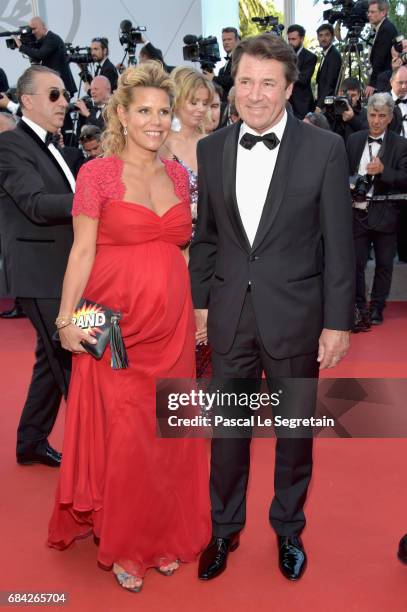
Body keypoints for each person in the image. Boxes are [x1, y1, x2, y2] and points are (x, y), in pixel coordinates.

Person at [189, 33, 354, 583]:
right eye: (244, 82)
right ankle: (223, 528)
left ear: (288, 88)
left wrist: (336, 322)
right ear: (231, 85)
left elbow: (339, 244)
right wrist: (201, 305)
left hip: (298, 315)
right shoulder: (211, 149)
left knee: (293, 433)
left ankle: (288, 528)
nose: (254, 94)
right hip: (231, 312)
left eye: (266, 83)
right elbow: (208, 239)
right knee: (228, 433)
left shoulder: (325, 149)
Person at [47, 62, 211, 592]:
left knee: (170, 434)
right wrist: (67, 319)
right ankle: (126, 543)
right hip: (113, 326)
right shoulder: (97, 173)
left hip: (172, 327)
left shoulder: (181, 175)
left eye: (164, 111)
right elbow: (82, 250)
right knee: (125, 438)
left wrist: (197, 311)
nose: (156, 121)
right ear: (122, 114)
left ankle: (163, 533)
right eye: (145, 111)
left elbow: (183, 250)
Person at [0, 65, 75, 467]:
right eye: (53, 95)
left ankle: (30, 440)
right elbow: (34, 204)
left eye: (63, 94)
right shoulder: (11, 146)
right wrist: (93, 201)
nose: (63, 101)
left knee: (52, 360)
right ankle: (96, 457)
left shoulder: (53, 147)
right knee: (74, 364)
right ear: (27, 101)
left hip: (63, 273)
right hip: (41, 273)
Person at [347, 92, 407, 327]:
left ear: (390, 117)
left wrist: (384, 171)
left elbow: (405, 178)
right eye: (372, 115)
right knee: (357, 263)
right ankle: (360, 307)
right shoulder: (353, 140)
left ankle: (377, 307)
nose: (376, 120)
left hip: (385, 214)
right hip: (357, 211)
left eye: (382, 115)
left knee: (384, 263)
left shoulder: (401, 145)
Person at [160, 66, 213, 226]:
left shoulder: (211, 142)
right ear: (177, 100)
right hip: (174, 237)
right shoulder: (162, 145)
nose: (201, 109)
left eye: (205, 103)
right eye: (194, 102)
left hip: (210, 239)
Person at [14, 17, 77, 97]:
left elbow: (39, 55)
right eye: (31, 30)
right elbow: (37, 57)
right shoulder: (45, 40)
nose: (32, 32)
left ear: (43, 26)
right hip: (56, 85)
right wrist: (26, 44)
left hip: (62, 86)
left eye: (34, 29)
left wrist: (21, 46)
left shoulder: (52, 38)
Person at [365, 0, 398, 98]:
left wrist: (372, 83)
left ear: (383, 12)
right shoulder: (383, 27)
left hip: (385, 81)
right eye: (368, 12)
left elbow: (380, 59)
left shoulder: (385, 29)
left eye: (372, 12)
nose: (369, 15)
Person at [324, 77, 368, 143]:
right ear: (339, 93)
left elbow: (369, 132)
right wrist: (330, 111)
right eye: (346, 95)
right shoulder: (332, 107)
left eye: (353, 95)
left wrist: (353, 119)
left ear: (358, 96)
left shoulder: (364, 113)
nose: (349, 99)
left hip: (352, 150)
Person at [287, 24, 317, 119]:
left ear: (302, 38)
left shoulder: (310, 57)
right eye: (289, 39)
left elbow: (304, 79)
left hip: (302, 106)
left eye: (293, 39)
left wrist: (285, 73)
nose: (290, 42)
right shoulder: (285, 56)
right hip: (287, 105)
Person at [203, 27, 240, 102]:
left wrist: (214, 78)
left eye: (229, 39)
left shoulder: (240, 57)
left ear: (237, 41)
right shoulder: (223, 68)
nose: (226, 42)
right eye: (224, 40)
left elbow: (235, 79)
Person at [315, 23, 342, 111]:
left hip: (328, 106)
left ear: (332, 37)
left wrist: (319, 106)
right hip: (324, 103)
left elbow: (330, 84)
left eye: (327, 35)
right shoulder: (326, 54)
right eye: (321, 36)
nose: (323, 38)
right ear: (318, 38)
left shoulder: (334, 55)